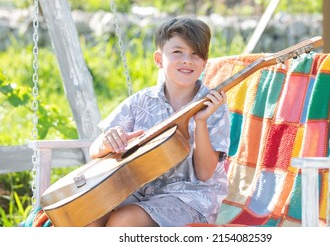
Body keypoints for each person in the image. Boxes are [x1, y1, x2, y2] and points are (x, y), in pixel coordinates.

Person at [87, 16, 231, 227]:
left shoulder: (213, 107)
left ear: (204, 64)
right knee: (89, 216)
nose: (187, 60)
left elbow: (204, 173)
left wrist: (200, 123)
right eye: (177, 52)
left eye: (195, 54)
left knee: (123, 221)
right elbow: (95, 149)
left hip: (190, 199)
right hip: (139, 191)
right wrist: (108, 141)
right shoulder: (141, 101)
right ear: (158, 59)